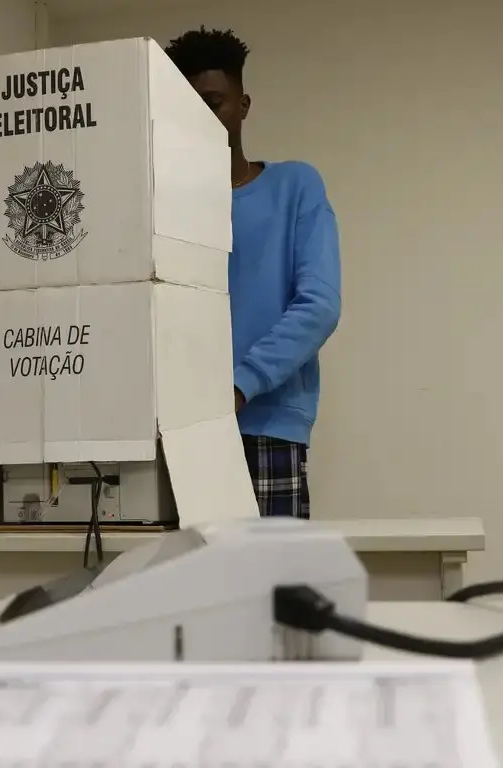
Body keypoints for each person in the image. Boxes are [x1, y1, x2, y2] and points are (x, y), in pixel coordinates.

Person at [165, 28, 342, 520]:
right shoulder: (163, 206)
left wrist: (240, 385)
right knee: (180, 589)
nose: (203, 117)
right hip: (177, 436)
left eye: (214, 103)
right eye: (189, 106)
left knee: (267, 587)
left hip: (265, 428)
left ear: (243, 105)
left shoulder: (295, 185)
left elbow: (320, 305)